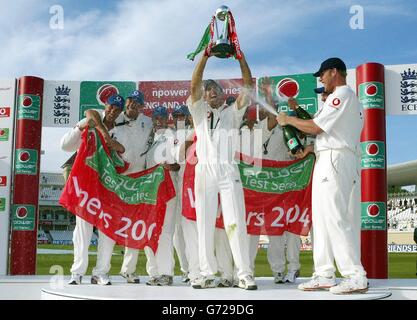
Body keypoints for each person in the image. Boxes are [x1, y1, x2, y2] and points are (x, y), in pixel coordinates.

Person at [276, 57, 368, 294]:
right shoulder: (341, 98)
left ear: (334, 72)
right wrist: (309, 148)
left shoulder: (343, 94)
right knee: (322, 220)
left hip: (336, 159)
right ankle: (324, 274)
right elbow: (324, 134)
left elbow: (316, 127)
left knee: (335, 217)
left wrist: (287, 119)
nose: (320, 79)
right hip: (326, 157)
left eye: (323, 75)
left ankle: (355, 275)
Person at [187, 50, 257, 290]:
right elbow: (194, 83)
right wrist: (205, 57)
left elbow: (248, 85)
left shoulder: (233, 112)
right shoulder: (198, 111)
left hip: (228, 171)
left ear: (222, 93)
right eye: (207, 90)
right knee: (204, 224)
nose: (211, 91)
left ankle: (244, 274)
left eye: (215, 88)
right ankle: (206, 273)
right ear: (203, 96)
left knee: (235, 221)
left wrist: (240, 58)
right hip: (204, 171)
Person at [61, 94, 126, 286]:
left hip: (109, 185)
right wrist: (82, 127)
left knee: (107, 229)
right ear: (105, 105)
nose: (113, 110)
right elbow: (65, 145)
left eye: (117, 108)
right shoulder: (89, 121)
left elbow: (125, 158)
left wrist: (118, 147)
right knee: (82, 229)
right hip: (87, 184)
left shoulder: (123, 130)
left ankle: (100, 272)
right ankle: (77, 272)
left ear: (121, 112)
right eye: (111, 106)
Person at [114, 90, 153, 284]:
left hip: (140, 180)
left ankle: (128, 270)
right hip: (117, 179)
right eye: (130, 101)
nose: (132, 105)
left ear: (141, 106)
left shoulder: (148, 122)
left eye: (137, 103)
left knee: (136, 225)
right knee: (109, 224)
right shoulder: (113, 118)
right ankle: (100, 270)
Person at [143, 106, 180, 286]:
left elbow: (179, 164)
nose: (159, 120)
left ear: (167, 119)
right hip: (148, 189)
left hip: (168, 188)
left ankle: (166, 272)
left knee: (166, 232)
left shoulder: (173, 136)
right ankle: (153, 272)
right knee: (149, 230)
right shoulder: (147, 137)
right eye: (156, 117)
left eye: (162, 117)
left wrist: (169, 166)